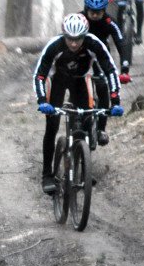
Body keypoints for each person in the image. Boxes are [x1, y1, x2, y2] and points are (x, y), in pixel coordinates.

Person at [33, 13, 124, 194]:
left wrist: (115, 101)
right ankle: (47, 175)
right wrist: (42, 100)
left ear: (85, 35)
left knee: (86, 120)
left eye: (78, 39)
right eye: (70, 39)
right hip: (58, 80)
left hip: (80, 81)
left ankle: (82, 169)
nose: (74, 43)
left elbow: (111, 71)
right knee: (51, 126)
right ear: (64, 35)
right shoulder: (55, 45)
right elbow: (40, 75)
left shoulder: (94, 43)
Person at [81, 0, 132, 146]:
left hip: (101, 56)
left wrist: (124, 68)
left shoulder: (110, 22)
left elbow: (121, 43)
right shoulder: (79, 18)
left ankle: (101, 129)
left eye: (99, 12)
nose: (95, 15)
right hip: (81, 55)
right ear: (86, 9)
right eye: (92, 12)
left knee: (103, 86)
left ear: (104, 10)